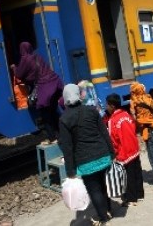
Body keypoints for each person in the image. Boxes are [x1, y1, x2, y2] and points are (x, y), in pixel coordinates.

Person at [58, 84, 114, 226]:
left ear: (65, 98)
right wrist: (111, 152)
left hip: (85, 160)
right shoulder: (92, 111)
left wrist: (70, 171)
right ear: (79, 95)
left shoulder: (64, 119)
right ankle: (108, 209)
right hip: (102, 154)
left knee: (94, 189)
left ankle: (103, 217)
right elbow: (104, 133)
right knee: (102, 185)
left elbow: (67, 147)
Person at [11, 41, 63, 144]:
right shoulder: (37, 56)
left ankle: (53, 138)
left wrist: (13, 67)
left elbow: (19, 74)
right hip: (56, 83)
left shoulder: (25, 59)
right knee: (53, 110)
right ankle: (62, 134)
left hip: (45, 85)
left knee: (44, 112)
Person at [106, 93, 145, 207]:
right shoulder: (126, 114)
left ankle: (131, 198)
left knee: (128, 176)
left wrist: (114, 153)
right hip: (134, 148)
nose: (106, 107)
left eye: (107, 105)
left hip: (124, 152)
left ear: (112, 106)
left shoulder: (112, 120)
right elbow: (133, 128)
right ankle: (140, 194)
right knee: (137, 172)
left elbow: (113, 139)